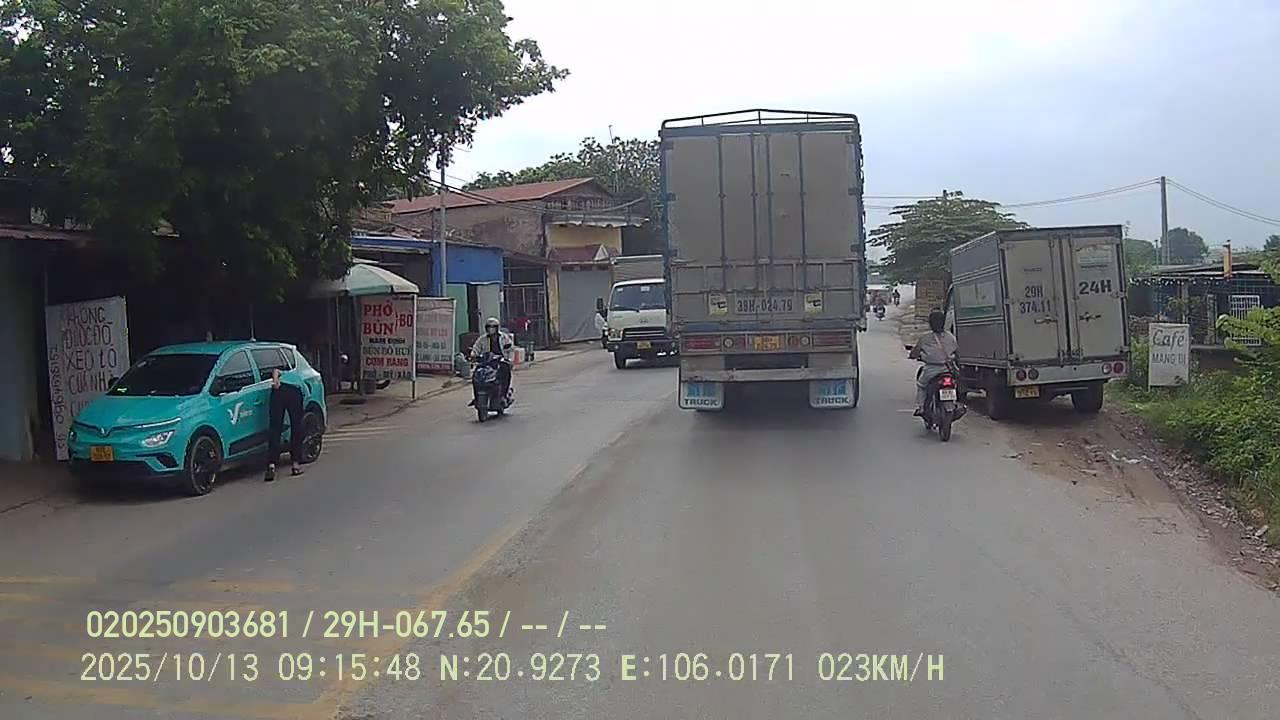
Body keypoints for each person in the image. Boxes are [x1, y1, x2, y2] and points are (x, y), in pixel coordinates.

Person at [908, 309, 958, 417]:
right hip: (947, 369)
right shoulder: (951, 337)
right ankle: (953, 407)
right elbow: (956, 350)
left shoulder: (925, 338)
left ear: (930, 323)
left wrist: (913, 355)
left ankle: (921, 408)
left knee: (921, 386)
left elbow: (915, 352)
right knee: (953, 386)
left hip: (931, 370)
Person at [265, 368, 305, 482]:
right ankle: (295, 464)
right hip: (294, 390)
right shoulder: (295, 364)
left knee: (275, 427)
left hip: (279, 390)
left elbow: (275, 370)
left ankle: (271, 465)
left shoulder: (279, 362)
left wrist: (275, 381)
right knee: (296, 427)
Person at [469, 317, 515, 400]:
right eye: (489, 326)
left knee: (506, 371)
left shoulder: (504, 337)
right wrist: (473, 355)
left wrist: (509, 360)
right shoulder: (482, 339)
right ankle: (476, 397)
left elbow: (510, 349)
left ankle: (504, 394)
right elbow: (476, 348)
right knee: (476, 375)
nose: (491, 329)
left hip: (500, 361)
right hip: (486, 361)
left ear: (497, 328)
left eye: (493, 326)